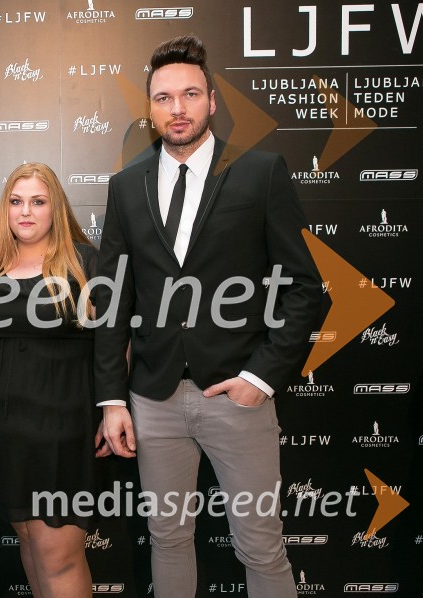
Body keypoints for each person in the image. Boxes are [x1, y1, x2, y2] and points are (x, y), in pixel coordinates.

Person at [94, 35, 322, 597]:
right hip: (154, 399)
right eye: (165, 97)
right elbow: (113, 299)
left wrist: (260, 378)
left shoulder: (260, 172)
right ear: (150, 108)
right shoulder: (126, 187)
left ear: (212, 102)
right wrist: (113, 398)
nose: (178, 108)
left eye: (190, 94)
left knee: (261, 544)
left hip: (237, 395)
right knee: (167, 540)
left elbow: (305, 290)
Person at [0, 163, 99, 598]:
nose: (26, 212)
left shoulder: (84, 262)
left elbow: (116, 346)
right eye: (16, 201)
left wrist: (110, 408)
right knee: (28, 544)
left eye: (38, 202)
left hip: (58, 433)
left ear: (55, 207)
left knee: (57, 555)